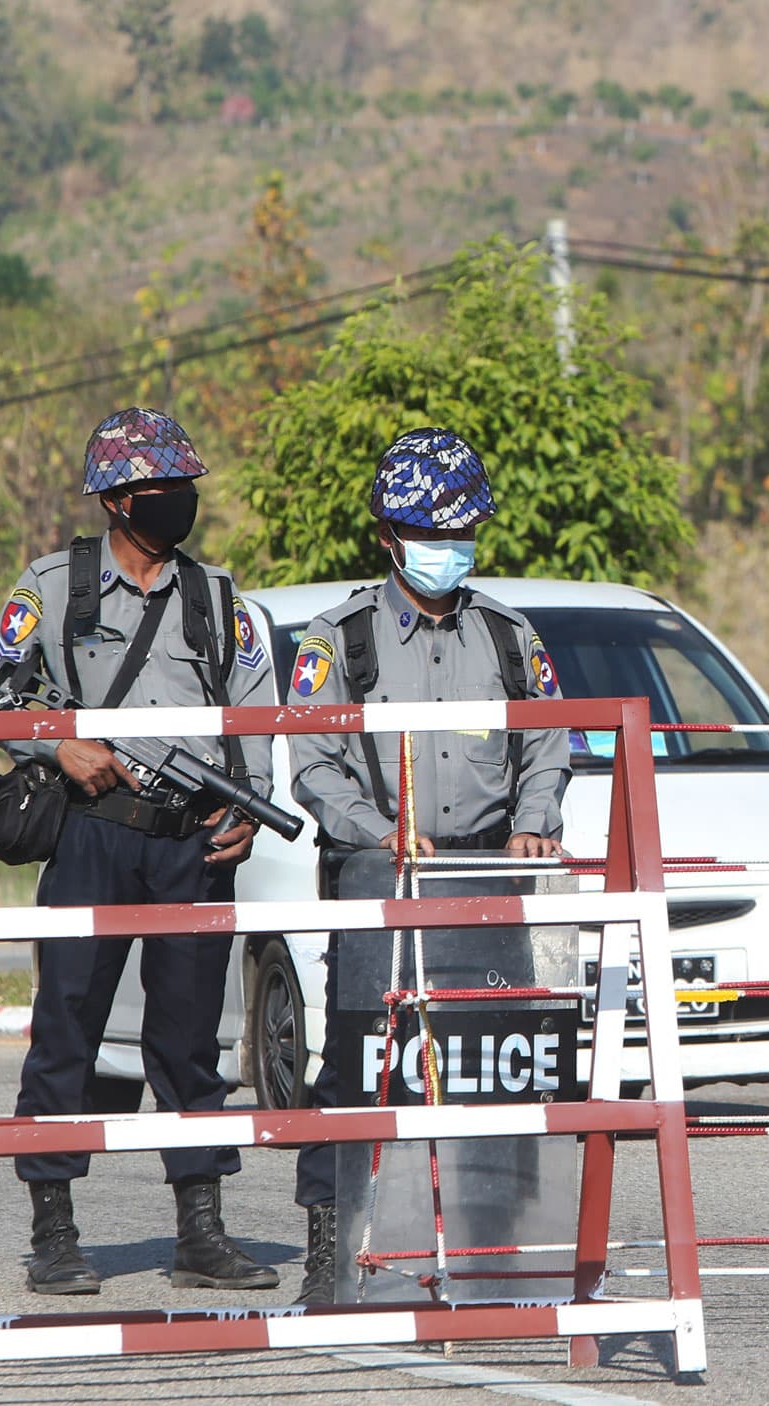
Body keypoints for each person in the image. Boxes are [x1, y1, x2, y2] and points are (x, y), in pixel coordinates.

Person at [0, 408, 281, 1295]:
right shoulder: (53, 587)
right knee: (67, 1027)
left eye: (186, 487)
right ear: (115, 501)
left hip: (192, 846)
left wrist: (247, 806)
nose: (179, 502)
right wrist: (56, 742)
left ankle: (201, 1231)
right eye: (160, 490)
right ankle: (55, 1231)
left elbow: (252, 714)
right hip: (94, 836)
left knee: (189, 1042)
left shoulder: (221, 601)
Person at [283, 428, 571, 1304]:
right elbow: (309, 760)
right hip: (380, 877)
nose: (450, 549)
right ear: (389, 535)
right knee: (357, 1067)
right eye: (431, 532)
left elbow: (553, 738)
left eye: (462, 530)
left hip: (485, 880)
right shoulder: (341, 642)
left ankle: (493, 1263)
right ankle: (332, 1261)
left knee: (493, 1068)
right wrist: (376, 831)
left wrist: (534, 820)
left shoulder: (511, 638)